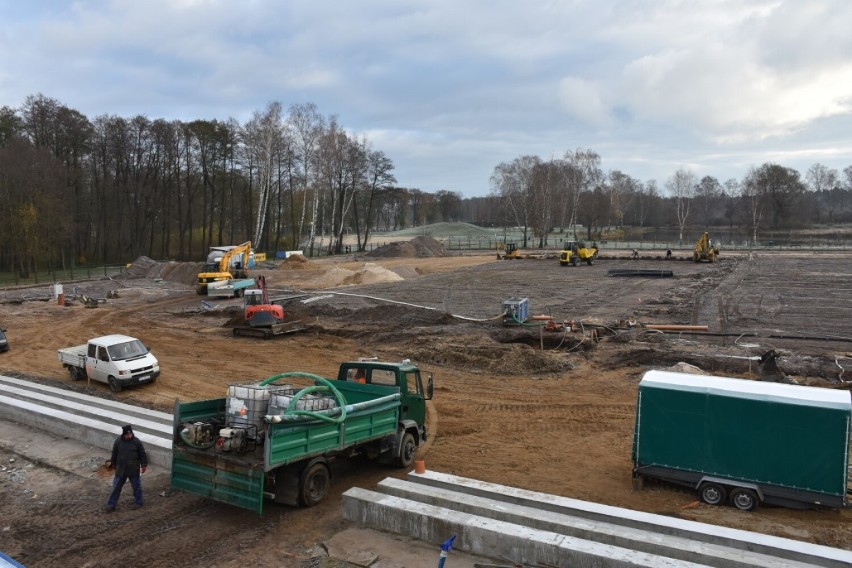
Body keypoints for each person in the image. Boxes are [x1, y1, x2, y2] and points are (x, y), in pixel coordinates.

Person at [105, 424, 148, 512]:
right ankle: (111, 505)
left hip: (133, 468)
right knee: (116, 487)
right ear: (124, 435)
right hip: (121, 469)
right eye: (127, 435)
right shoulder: (118, 441)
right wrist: (113, 463)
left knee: (137, 487)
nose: (129, 436)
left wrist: (144, 465)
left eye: (130, 434)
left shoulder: (137, 442)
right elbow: (114, 454)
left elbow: (142, 454)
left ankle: (138, 502)